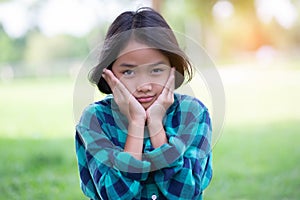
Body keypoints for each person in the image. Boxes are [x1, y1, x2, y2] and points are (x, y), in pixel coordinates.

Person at [75, 7, 213, 200]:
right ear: (109, 73)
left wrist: (156, 125)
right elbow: (114, 196)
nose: (144, 86)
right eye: (129, 72)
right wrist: (136, 123)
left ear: (173, 70)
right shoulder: (95, 119)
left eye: (156, 70)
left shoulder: (193, 113)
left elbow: (185, 193)